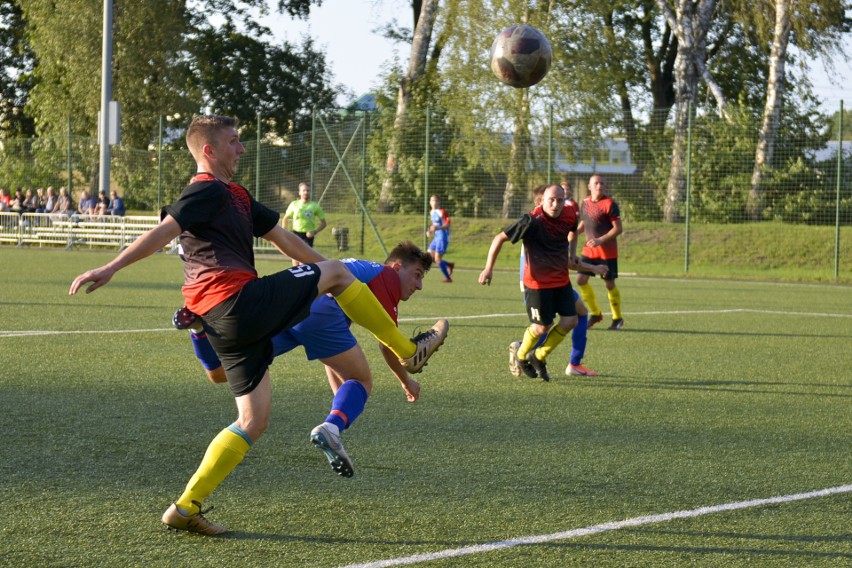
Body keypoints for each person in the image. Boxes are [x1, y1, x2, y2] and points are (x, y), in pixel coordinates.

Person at [68, 115, 448, 536]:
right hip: (238, 301)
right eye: (234, 142)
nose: (242, 149)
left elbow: (285, 239)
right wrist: (111, 266)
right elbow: (166, 230)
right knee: (339, 273)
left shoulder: (238, 196)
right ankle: (409, 351)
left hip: (222, 321)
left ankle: (185, 505)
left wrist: (315, 268)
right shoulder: (206, 190)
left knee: (253, 418)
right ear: (209, 151)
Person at [179, 241, 433, 477]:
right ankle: (331, 428)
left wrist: (342, 399)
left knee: (222, 372)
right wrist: (406, 381)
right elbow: (387, 341)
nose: (420, 285)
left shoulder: (363, 269)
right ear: (397, 267)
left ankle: (198, 330)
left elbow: (330, 357)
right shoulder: (385, 276)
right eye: (418, 274)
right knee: (362, 380)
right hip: (320, 313)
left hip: (293, 305)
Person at [479, 183, 581, 381]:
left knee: (571, 320)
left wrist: (573, 253)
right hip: (537, 284)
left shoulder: (569, 214)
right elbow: (499, 238)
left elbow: (574, 230)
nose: (555, 204)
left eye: (559, 200)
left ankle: (538, 356)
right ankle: (520, 355)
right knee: (543, 327)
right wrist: (488, 268)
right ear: (542, 200)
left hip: (561, 280)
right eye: (551, 199)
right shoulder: (531, 221)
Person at [576, 174, 624, 330]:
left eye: (602, 183)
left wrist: (600, 240)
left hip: (607, 252)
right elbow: (585, 222)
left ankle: (617, 318)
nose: (599, 186)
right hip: (589, 251)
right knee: (581, 280)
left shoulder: (610, 204)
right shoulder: (585, 203)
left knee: (609, 284)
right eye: (596, 183)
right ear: (590, 186)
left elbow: (618, 228)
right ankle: (596, 314)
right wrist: (574, 234)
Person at [282, 182, 326, 266]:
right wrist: (285, 231)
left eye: (308, 190)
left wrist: (314, 232)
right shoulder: (294, 204)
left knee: (304, 260)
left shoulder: (314, 206)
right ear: (299, 192)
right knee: (295, 259)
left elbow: (324, 223)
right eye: (304, 190)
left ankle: (304, 276)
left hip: (308, 235)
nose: (306, 192)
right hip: (296, 234)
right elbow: (285, 218)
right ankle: (296, 277)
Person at [426, 195, 455, 283]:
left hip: (443, 237)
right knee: (429, 256)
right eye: (432, 200)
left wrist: (438, 228)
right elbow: (434, 224)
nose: (433, 202)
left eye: (435, 200)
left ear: (439, 202)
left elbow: (448, 224)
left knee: (437, 259)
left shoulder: (442, 212)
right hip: (436, 237)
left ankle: (448, 278)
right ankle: (449, 265)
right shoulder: (431, 212)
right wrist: (430, 231)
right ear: (430, 202)